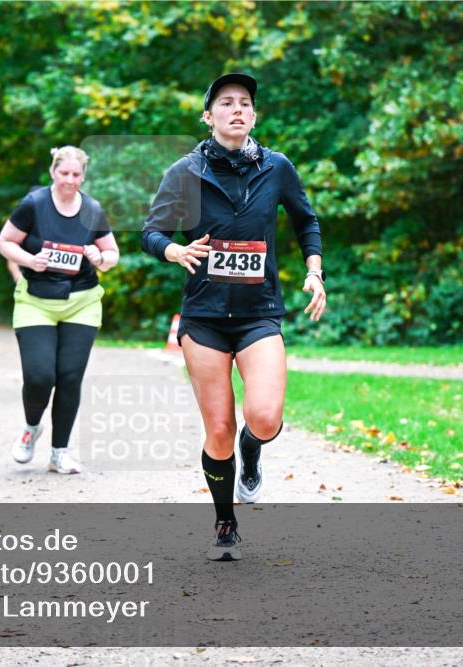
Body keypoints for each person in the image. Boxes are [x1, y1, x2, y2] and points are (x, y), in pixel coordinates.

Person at [141, 73, 326, 560]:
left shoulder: (277, 167)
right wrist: (173, 249)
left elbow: (305, 219)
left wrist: (314, 270)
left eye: (245, 103)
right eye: (226, 103)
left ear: (254, 115)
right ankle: (226, 523)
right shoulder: (185, 171)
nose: (237, 109)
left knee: (262, 419)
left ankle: (253, 451)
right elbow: (152, 231)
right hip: (203, 316)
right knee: (217, 428)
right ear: (209, 116)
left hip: (258, 311)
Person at [0, 146, 120, 474]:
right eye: (63, 173)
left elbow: (112, 254)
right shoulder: (34, 204)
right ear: (53, 172)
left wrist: (99, 259)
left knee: (69, 377)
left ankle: (59, 453)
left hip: (82, 302)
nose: (69, 180)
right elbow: (5, 242)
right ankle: (31, 427)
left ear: (83, 176)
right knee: (39, 376)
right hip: (35, 301)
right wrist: (28, 260)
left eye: (76, 175)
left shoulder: (92, 209)